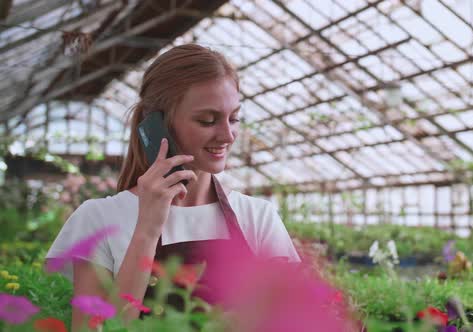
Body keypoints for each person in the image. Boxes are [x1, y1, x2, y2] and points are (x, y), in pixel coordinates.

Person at [45, 44, 300, 331]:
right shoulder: (98, 219)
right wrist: (147, 229)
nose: (228, 135)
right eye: (208, 120)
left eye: (234, 118)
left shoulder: (258, 217)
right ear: (157, 125)